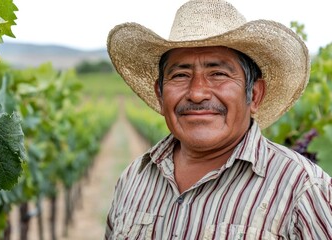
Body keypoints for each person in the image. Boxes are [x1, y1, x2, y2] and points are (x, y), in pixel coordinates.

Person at [105, 0, 332, 239]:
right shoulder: (133, 180)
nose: (197, 93)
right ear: (160, 94)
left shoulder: (303, 190)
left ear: (254, 95)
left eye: (218, 74)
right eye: (180, 75)